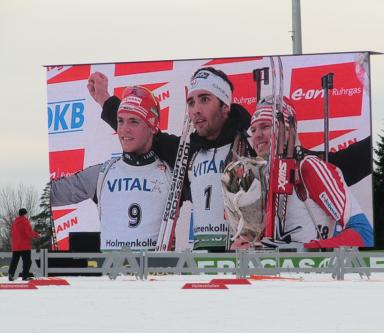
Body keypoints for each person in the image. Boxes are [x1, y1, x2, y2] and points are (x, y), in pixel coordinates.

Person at [87, 68, 253, 251]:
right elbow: (145, 134)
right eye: (191, 102)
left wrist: (250, 237)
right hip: (202, 258)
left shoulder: (248, 146)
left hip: (240, 256)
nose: (196, 110)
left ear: (225, 106)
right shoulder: (187, 151)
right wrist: (105, 99)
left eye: (205, 99)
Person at [224, 96, 373, 250]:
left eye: (265, 126)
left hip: (313, 272)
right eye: (253, 130)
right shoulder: (257, 179)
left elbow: (363, 234)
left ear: (288, 130)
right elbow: (265, 246)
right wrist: (246, 244)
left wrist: (302, 249)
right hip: (269, 273)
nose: (257, 135)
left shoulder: (309, 167)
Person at [51, 86, 172, 251]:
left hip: (156, 274)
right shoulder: (102, 173)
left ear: (152, 126)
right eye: (120, 121)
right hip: (114, 274)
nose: (124, 129)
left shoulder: (172, 173)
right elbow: (49, 194)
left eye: (134, 121)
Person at [8, 208, 39, 281]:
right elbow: (29, 232)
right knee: (27, 261)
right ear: (25, 214)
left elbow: (12, 233)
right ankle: (25, 276)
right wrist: (37, 235)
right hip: (24, 246)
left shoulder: (14, 222)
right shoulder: (25, 221)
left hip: (16, 246)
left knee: (14, 261)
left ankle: (11, 275)